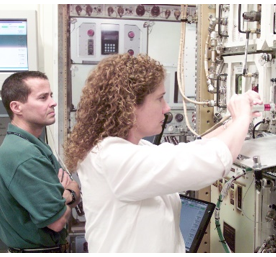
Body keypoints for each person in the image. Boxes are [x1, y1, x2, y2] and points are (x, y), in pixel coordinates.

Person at [63, 54, 262, 252]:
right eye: (159, 99)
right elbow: (210, 160)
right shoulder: (112, 158)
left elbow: (192, 150)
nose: (166, 108)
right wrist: (242, 118)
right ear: (129, 107)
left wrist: (234, 121)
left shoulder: (132, 149)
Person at [0, 71, 79, 253]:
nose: (53, 103)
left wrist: (64, 196)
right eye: (43, 97)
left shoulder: (33, 145)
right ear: (16, 107)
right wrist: (70, 193)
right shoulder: (23, 154)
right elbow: (58, 221)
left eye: (51, 96)